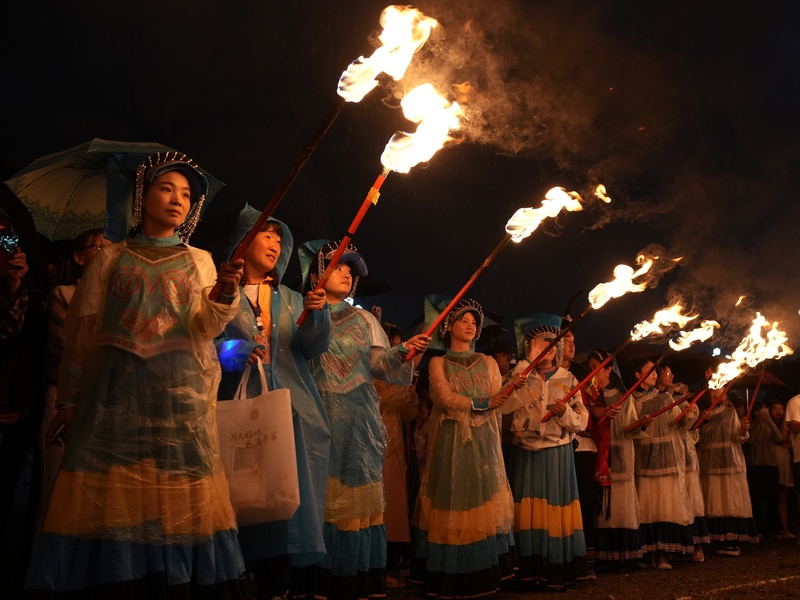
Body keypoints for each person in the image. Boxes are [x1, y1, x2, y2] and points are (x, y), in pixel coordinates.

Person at [25, 153, 249, 597]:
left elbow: (205, 328)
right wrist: (69, 401)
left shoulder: (201, 260)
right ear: (143, 196)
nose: (178, 200)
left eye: (187, 194)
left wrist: (224, 292)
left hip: (178, 406)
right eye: (167, 189)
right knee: (114, 492)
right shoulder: (110, 259)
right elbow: (83, 333)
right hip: (114, 401)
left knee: (175, 494)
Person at [300, 240, 430, 600]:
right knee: (318, 498)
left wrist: (403, 351)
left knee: (355, 503)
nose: (345, 273)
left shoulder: (364, 319)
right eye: (337, 266)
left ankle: (350, 579)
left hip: (359, 422)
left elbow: (378, 364)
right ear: (316, 274)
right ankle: (312, 582)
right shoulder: (300, 311)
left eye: (350, 270)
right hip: (315, 418)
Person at [214, 206, 331, 599]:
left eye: (280, 239)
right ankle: (238, 575)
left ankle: (276, 585)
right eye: (266, 235)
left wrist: (318, 317)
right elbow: (204, 341)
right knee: (240, 496)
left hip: (290, 411)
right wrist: (232, 351)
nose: (275, 243)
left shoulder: (293, 299)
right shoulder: (220, 293)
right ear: (242, 242)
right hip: (238, 406)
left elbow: (312, 348)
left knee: (281, 498)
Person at [411, 298, 520, 597]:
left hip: (483, 443)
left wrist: (513, 387)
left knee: (481, 498)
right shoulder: (438, 363)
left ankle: (482, 570)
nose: (471, 325)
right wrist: (482, 403)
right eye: (463, 320)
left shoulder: (487, 362)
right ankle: (449, 572)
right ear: (448, 326)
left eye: (474, 321)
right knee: (451, 498)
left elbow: (501, 401)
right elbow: (444, 398)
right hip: (451, 441)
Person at [506, 313, 590, 589]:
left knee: (555, 511)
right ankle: (528, 570)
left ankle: (558, 568)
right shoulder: (518, 374)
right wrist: (521, 374)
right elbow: (502, 407)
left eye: (551, 344)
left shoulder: (569, 378)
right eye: (539, 343)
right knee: (528, 511)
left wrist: (565, 411)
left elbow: (582, 420)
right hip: (526, 453)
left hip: (556, 453)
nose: (547, 349)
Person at [40, 228, 112, 515]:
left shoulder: (121, 298)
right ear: (79, 258)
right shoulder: (66, 295)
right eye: (99, 248)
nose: (107, 253)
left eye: (112, 248)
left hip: (103, 404)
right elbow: (66, 350)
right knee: (58, 490)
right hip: (65, 399)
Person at [628, 358, 695, 569]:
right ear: (638, 376)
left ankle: (664, 553)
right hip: (644, 460)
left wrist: (689, 414)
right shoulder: (630, 399)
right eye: (649, 371)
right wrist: (640, 424)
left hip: (666, 460)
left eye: (654, 371)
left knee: (666, 506)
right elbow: (627, 427)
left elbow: (680, 425)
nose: (654, 374)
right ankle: (647, 554)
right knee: (646, 507)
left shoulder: (666, 397)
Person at [587, 349, 649, 567]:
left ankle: (626, 553)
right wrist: (603, 414)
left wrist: (640, 424)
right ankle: (604, 555)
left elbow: (629, 426)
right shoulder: (590, 395)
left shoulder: (626, 396)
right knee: (603, 503)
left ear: (608, 369)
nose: (593, 373)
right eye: (590, 368)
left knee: (621, 501)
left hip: (621, 455)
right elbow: (587, 422)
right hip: (599, 455)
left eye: (597, 368)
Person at [374, 322, 419, 588]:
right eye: (392, 343)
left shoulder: (398, 376)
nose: (396, 350)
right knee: (381, 507)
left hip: (396, 445)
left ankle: (390, 564)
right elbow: (381, 397)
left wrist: (410, 396)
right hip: (377, 444)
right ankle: (380, 568)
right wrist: (403, 392)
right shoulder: (375, 372)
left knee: (394, 506)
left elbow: (408, 413)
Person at [696, 389, 759, 556]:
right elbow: (696, 436)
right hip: (710, 464)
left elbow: (738, 437)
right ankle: (718, 539)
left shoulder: (730, 412)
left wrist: (743, 429)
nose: (724, 391)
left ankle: (732, 540)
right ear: (711, 394)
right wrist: (701, 422)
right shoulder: (704, 414)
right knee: (716, 501)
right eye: (719, 389)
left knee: (730, 499)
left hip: (730, 464)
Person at [745, 401, 782, 536]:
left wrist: (770, 422)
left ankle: (773, 529)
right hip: (755, 464)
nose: (764, 412)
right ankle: (758, 529)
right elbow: (750, 440)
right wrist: (758, 424)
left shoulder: (770, 425)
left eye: (765, 410)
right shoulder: (752, 425)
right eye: (761, 410)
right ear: (755, 412)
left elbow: (779, 437)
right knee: (756, 498)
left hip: (770, 464)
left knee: (772, 497)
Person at [769, 400, 795, 538]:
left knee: (787, 496)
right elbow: (782, 439)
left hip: (788, 463)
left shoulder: (789, 426)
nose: (779, 412)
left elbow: (789, 443)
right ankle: (778, 528)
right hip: (776, 463)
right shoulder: (769, 426)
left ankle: (787, 527)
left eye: (781, 409)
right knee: (777, 495)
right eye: (775, 409)